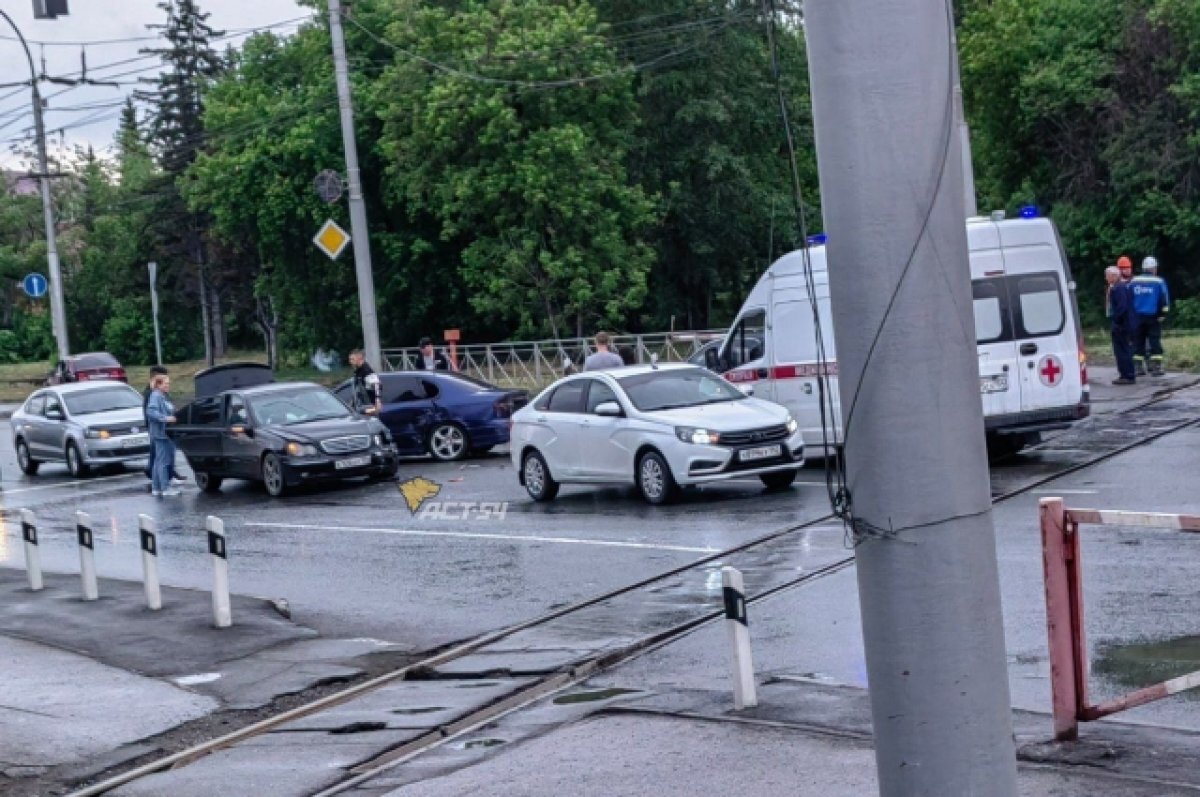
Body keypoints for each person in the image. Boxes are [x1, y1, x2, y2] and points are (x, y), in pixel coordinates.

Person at [143, 365, 185, 489]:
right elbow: (151, 412)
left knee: (159, 460)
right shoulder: (154, 395)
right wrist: (166, 418)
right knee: (162, 460)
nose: (168, 385)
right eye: (166, 383)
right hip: (161, 432)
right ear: (158, 382)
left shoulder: (160, 395)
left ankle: (159, 486)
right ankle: (165, 486)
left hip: (162, 431)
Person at [1130, 256, 1170, 377]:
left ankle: (1137, 368)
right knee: (1154, 341)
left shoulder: (1133, 281)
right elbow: (1164, 300)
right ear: (1153, 268)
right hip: (1153, 317)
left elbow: (1129, 299)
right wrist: (1163, 314)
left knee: (1138, 342)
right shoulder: (1158, 281)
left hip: (1137, 317)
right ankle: (1157, 367)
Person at [1106, 265, 1136, 385]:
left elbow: (1122, 307)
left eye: (1107, 276)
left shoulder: (1118, 288)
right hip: (1125, 324)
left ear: (1114, 276)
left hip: (1122, 325)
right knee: (1123, 349)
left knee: (1122, 350)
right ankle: (1126, 374)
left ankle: (1127, 375)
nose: (1106, 279)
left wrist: (1116, 321)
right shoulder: (1121, 287)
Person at [349, 349, 383, 413]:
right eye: (350, 359)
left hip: (369, 405)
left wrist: (378, 400)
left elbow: (377, 384)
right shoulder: (358, 370)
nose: (350, 361)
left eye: (352, 359)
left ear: (359, 359)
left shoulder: (366, 370)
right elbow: (357, 389)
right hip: (362, 405)